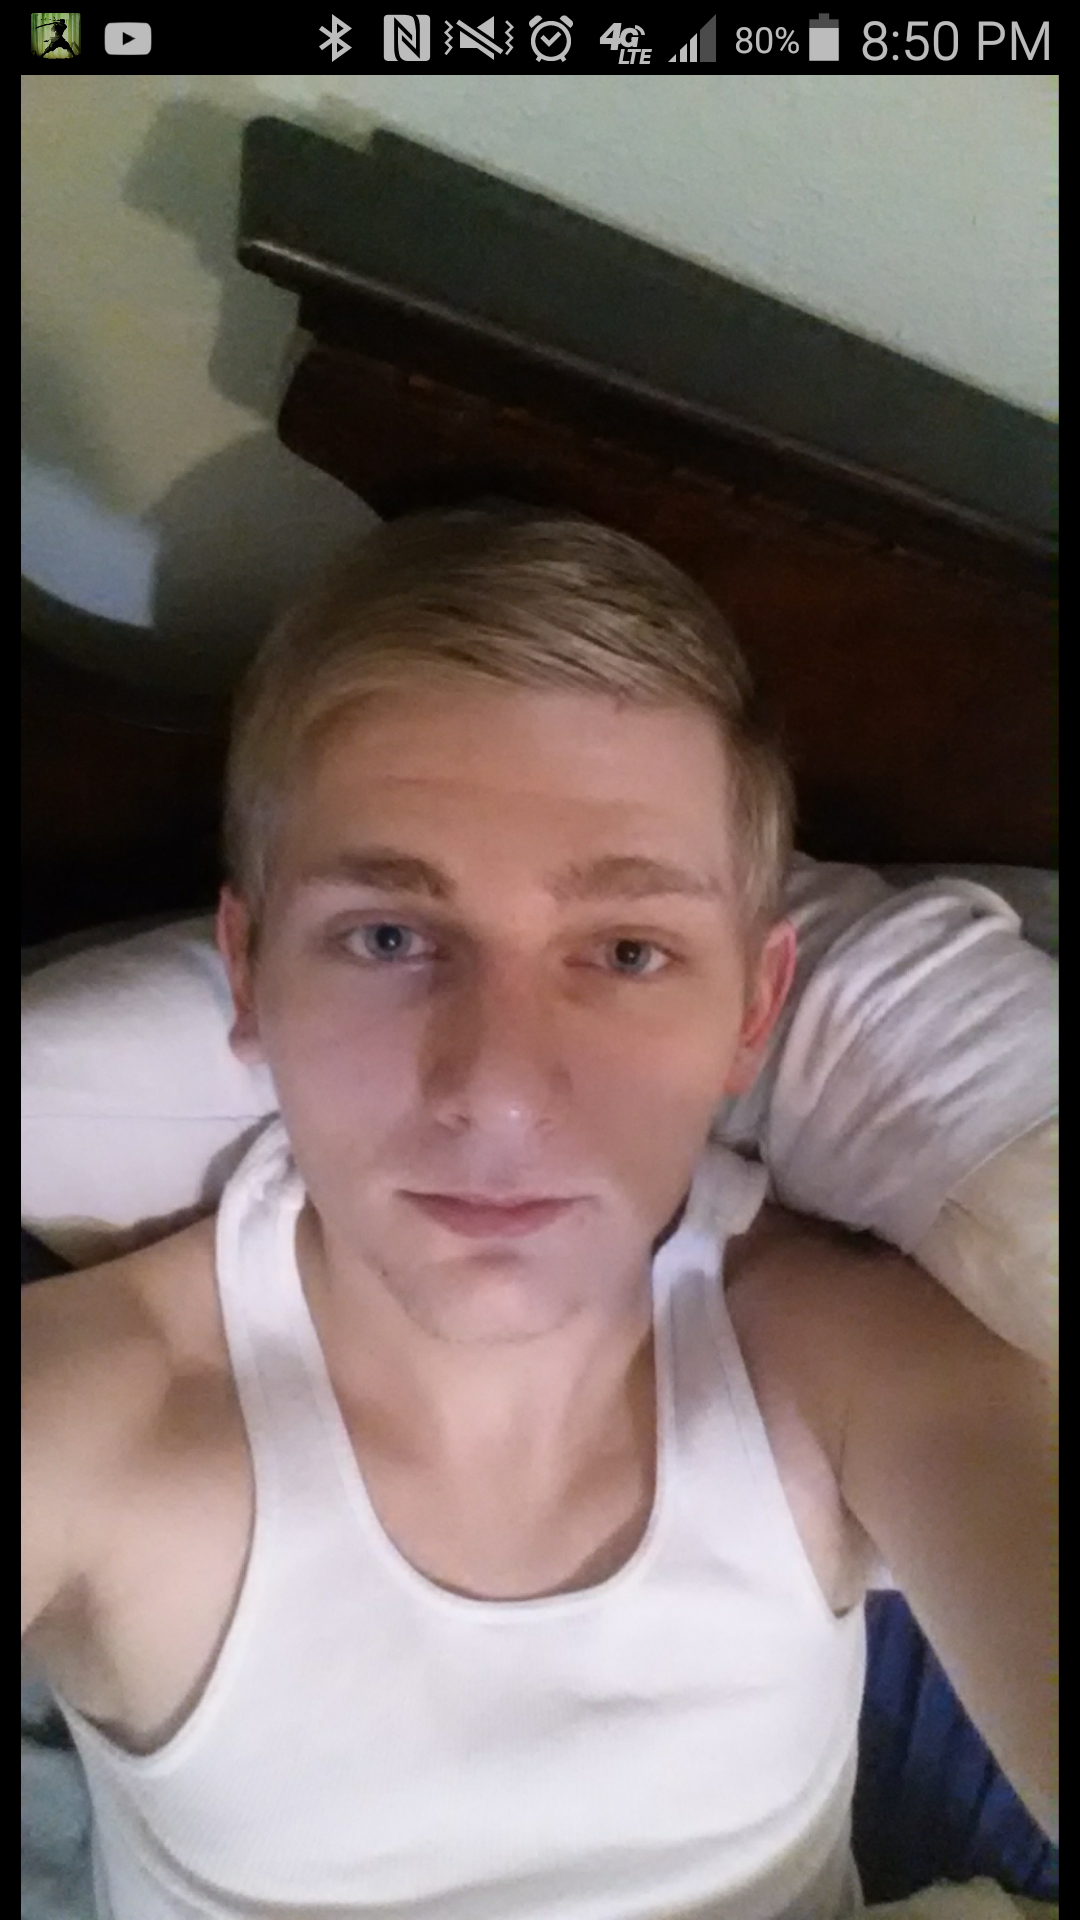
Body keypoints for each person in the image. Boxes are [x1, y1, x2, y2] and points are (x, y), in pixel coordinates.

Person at [21, 508, 1057, 1920]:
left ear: (754, 1010)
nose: (499, 1094)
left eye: (627, 952)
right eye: (391, 937)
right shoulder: (103, 1404)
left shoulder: (845, 1370)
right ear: (249, 975)